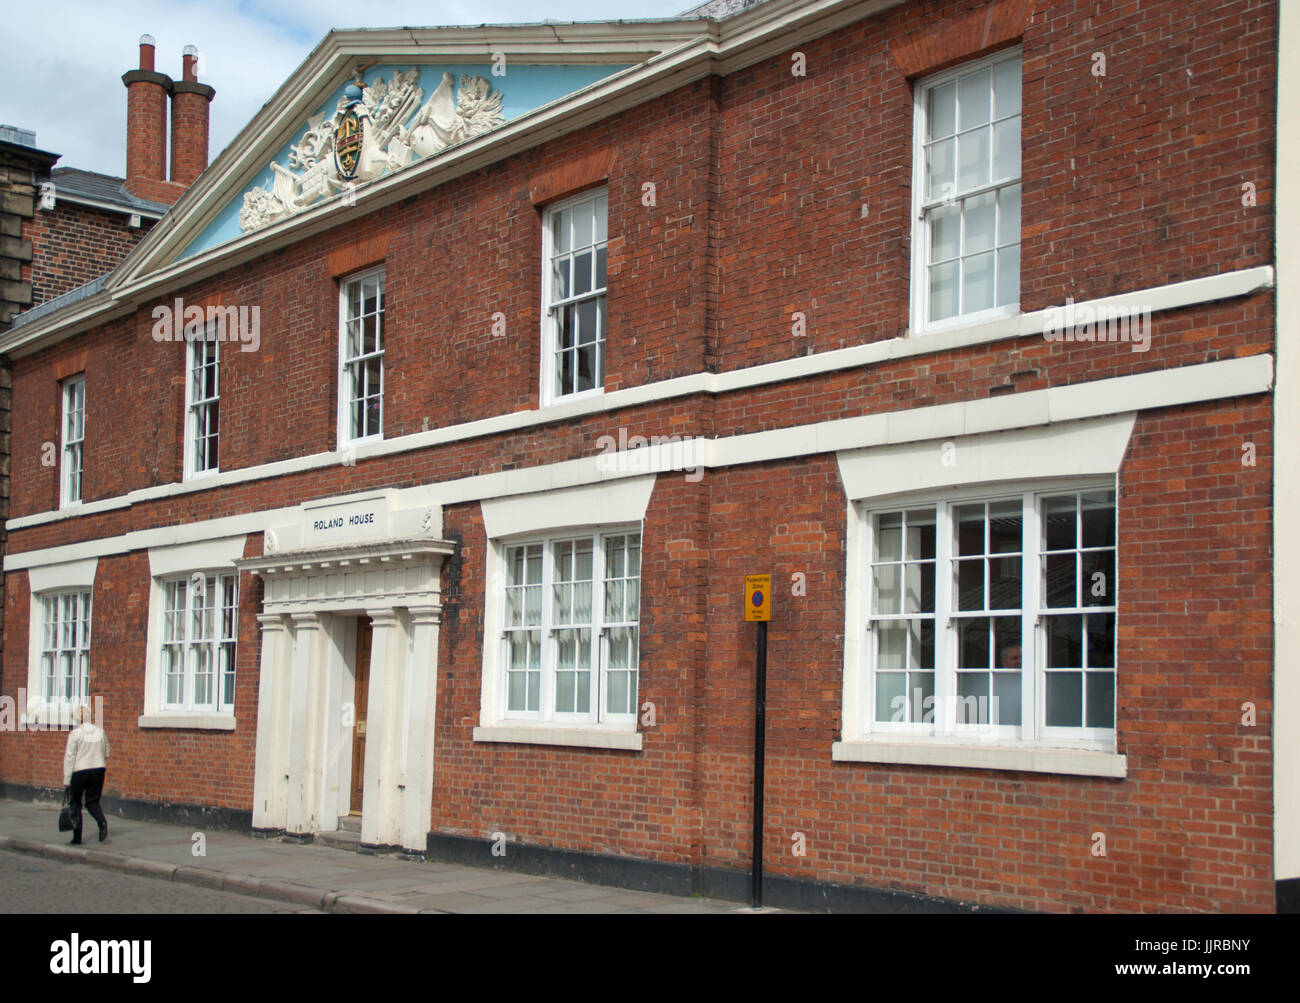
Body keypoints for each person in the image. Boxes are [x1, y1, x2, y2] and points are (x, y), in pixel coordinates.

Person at [63, 703, 110, 845]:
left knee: (76, 803)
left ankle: (77, 837)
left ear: (78, 719)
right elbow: (107, 751)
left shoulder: (75, 734)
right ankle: (102, 823)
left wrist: (67, 779)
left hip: (80, 772)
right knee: (92, 802)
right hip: (98, 769)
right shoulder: (100, 732)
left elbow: (70, 757)